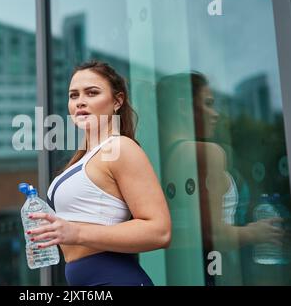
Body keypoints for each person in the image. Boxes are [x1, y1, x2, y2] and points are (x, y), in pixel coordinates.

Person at [27, 60, 171, 286]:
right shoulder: (84, 158)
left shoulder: (122, 147)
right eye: (73, 96)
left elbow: (159, 231)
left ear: (117, 101)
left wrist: (76, 232)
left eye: (92, 93)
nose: (80, 102)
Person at [156, 71, 285, 285]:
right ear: (183, 107)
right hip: (216, 271)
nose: (215, 114)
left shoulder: (161, 159)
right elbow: (214, 235)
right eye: (207, 103)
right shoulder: (208, 154)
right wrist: (257, 233)